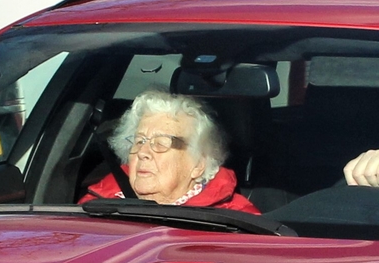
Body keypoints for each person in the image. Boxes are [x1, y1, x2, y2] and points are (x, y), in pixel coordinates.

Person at [81, 90, 260, 213]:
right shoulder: (95, 205)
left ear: (198, 164)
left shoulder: (237, 223)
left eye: (161, 143)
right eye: (139, 141)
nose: (143, 152)